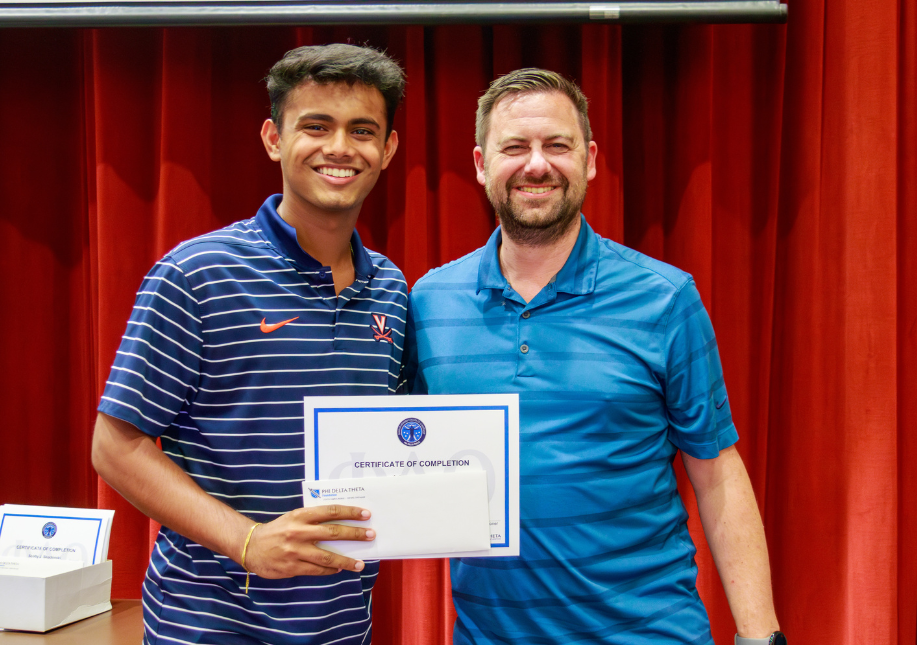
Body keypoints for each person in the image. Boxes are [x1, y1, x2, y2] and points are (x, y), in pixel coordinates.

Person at [400, 68, 784, 645]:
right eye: (514, 147)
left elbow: (716, 473)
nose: (537, 165)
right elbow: (404, 457)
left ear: (591, 159)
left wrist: (761, 637)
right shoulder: (430, 302)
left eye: (558, 145)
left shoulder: (665, 298)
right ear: (481, 164)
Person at [91, 43, 406, 645]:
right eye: (316, 126)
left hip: (340, 626)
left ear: (387, 149)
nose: (340, 147)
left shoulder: (390, 288)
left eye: (362, 130)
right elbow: (115, 446)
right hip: (207, 627)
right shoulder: (196, 274)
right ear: (273, 139)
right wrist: (247, 542)